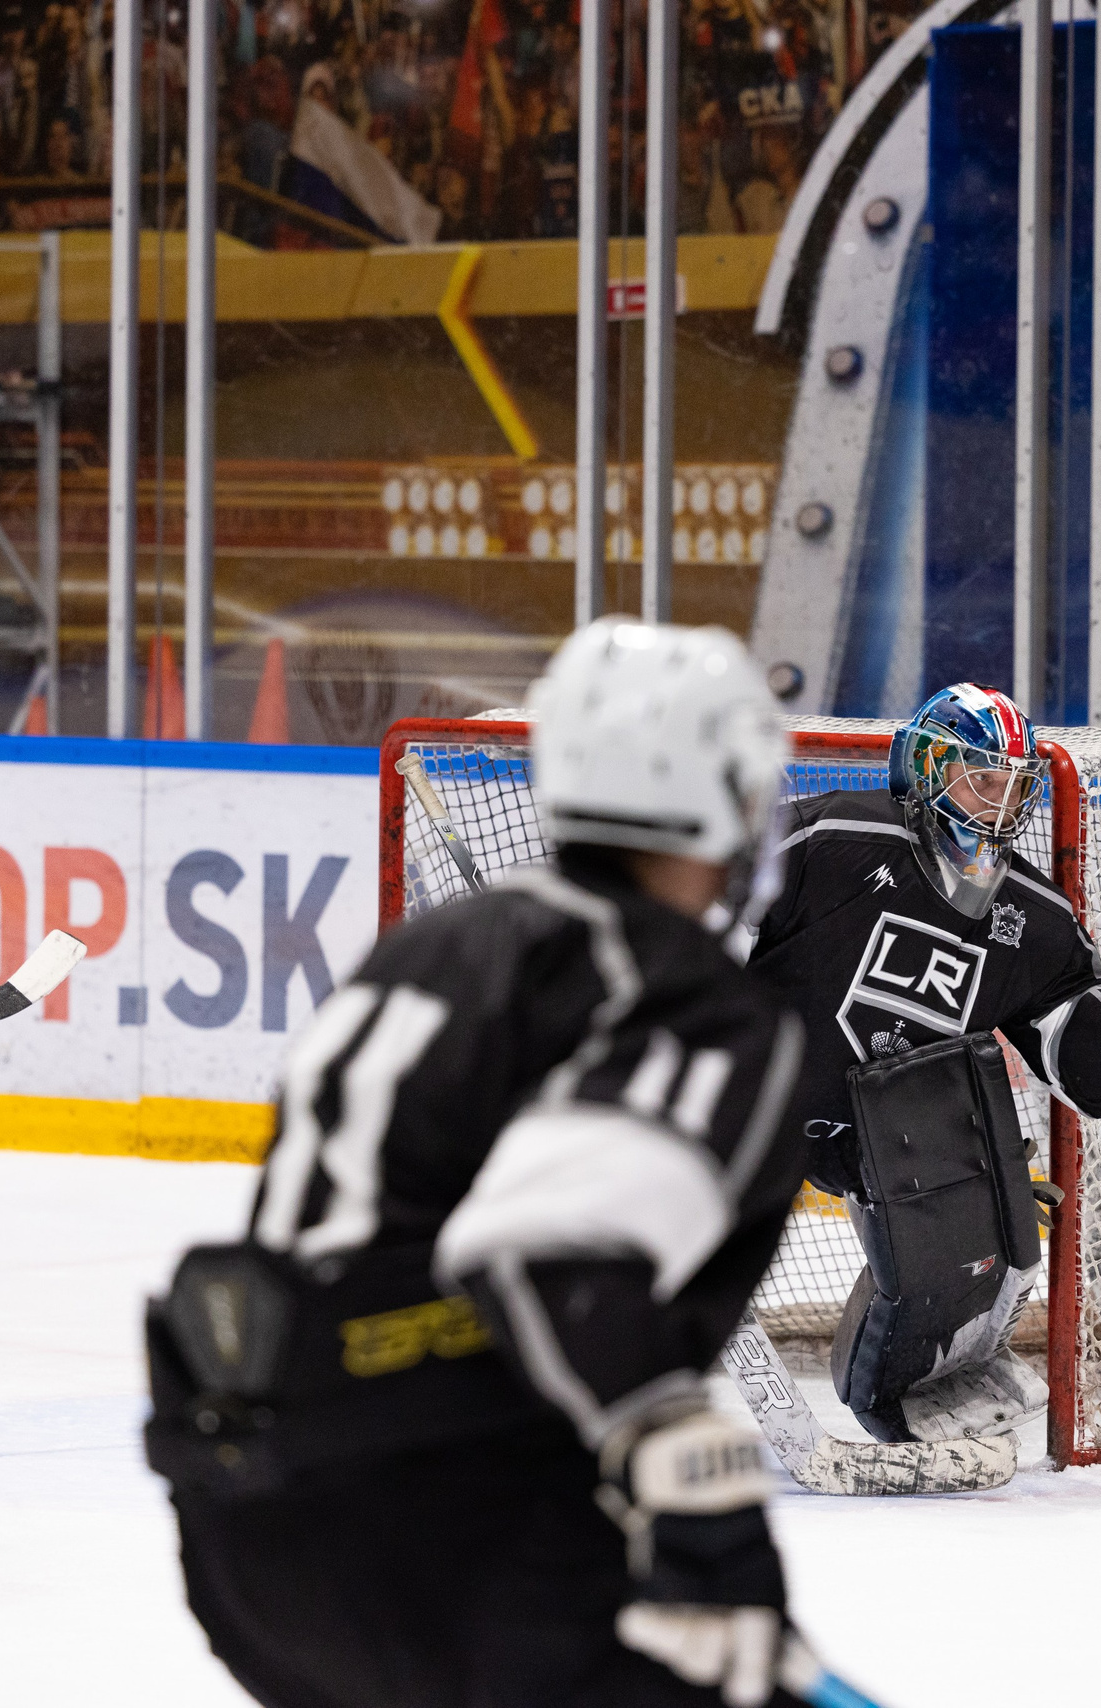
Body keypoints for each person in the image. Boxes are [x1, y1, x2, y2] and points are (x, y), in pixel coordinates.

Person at [149, 620, 853, 1707]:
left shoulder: (433, 943)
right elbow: (543, 1256)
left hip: (251, 1542)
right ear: (721, 793)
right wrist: (682, 1467)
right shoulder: (684, 995)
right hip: (455, 1527)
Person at [743, 682, 1101, 1448]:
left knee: (994, 1168)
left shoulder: (1032, 919)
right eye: (979, 777)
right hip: (743, 1099)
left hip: (873, 1137)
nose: (998, 804)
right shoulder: (831, 838)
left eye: (1014, 786)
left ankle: (915, 1387)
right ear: (927, 770)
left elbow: (1086, 1064)